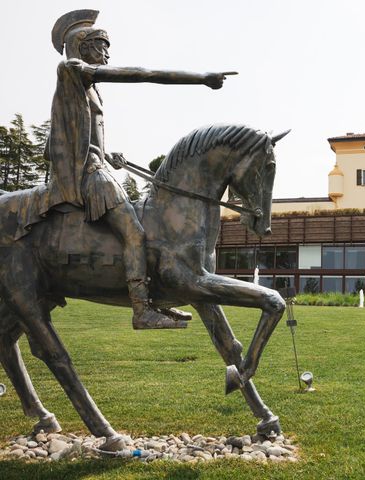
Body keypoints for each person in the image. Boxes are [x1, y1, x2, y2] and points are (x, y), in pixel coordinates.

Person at [45, 10, 231, 329]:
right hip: (89, 177)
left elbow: (67, 139)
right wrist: (201, 78)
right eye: (101, 44)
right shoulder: (72, 69)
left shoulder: (84, 85)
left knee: (136, 228)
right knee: (135, 232)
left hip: (96, 166)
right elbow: (141, 73)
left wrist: (104, 152)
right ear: (82, 45)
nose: (107, 52)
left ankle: (155, 299)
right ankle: (142, 308)